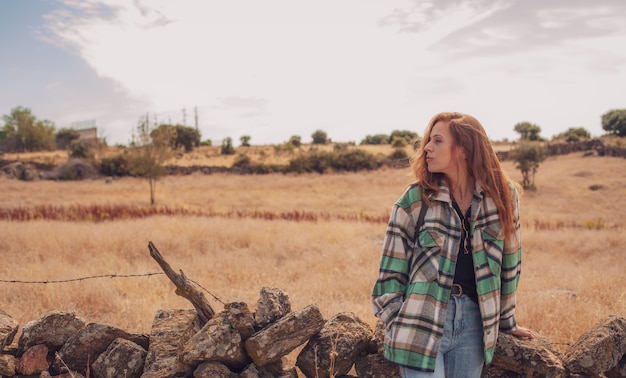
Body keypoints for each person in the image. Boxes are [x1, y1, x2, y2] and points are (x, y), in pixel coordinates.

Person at [372, 112, 533, 378]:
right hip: (420, 321)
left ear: (464, 149)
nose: (427, 148)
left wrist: (506, 322)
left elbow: (510, 266)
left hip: (474, 322)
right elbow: (389, 275)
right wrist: (398, 320)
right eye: (429, 140)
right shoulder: (415, 199)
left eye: (437, 141)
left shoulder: (503, 196)